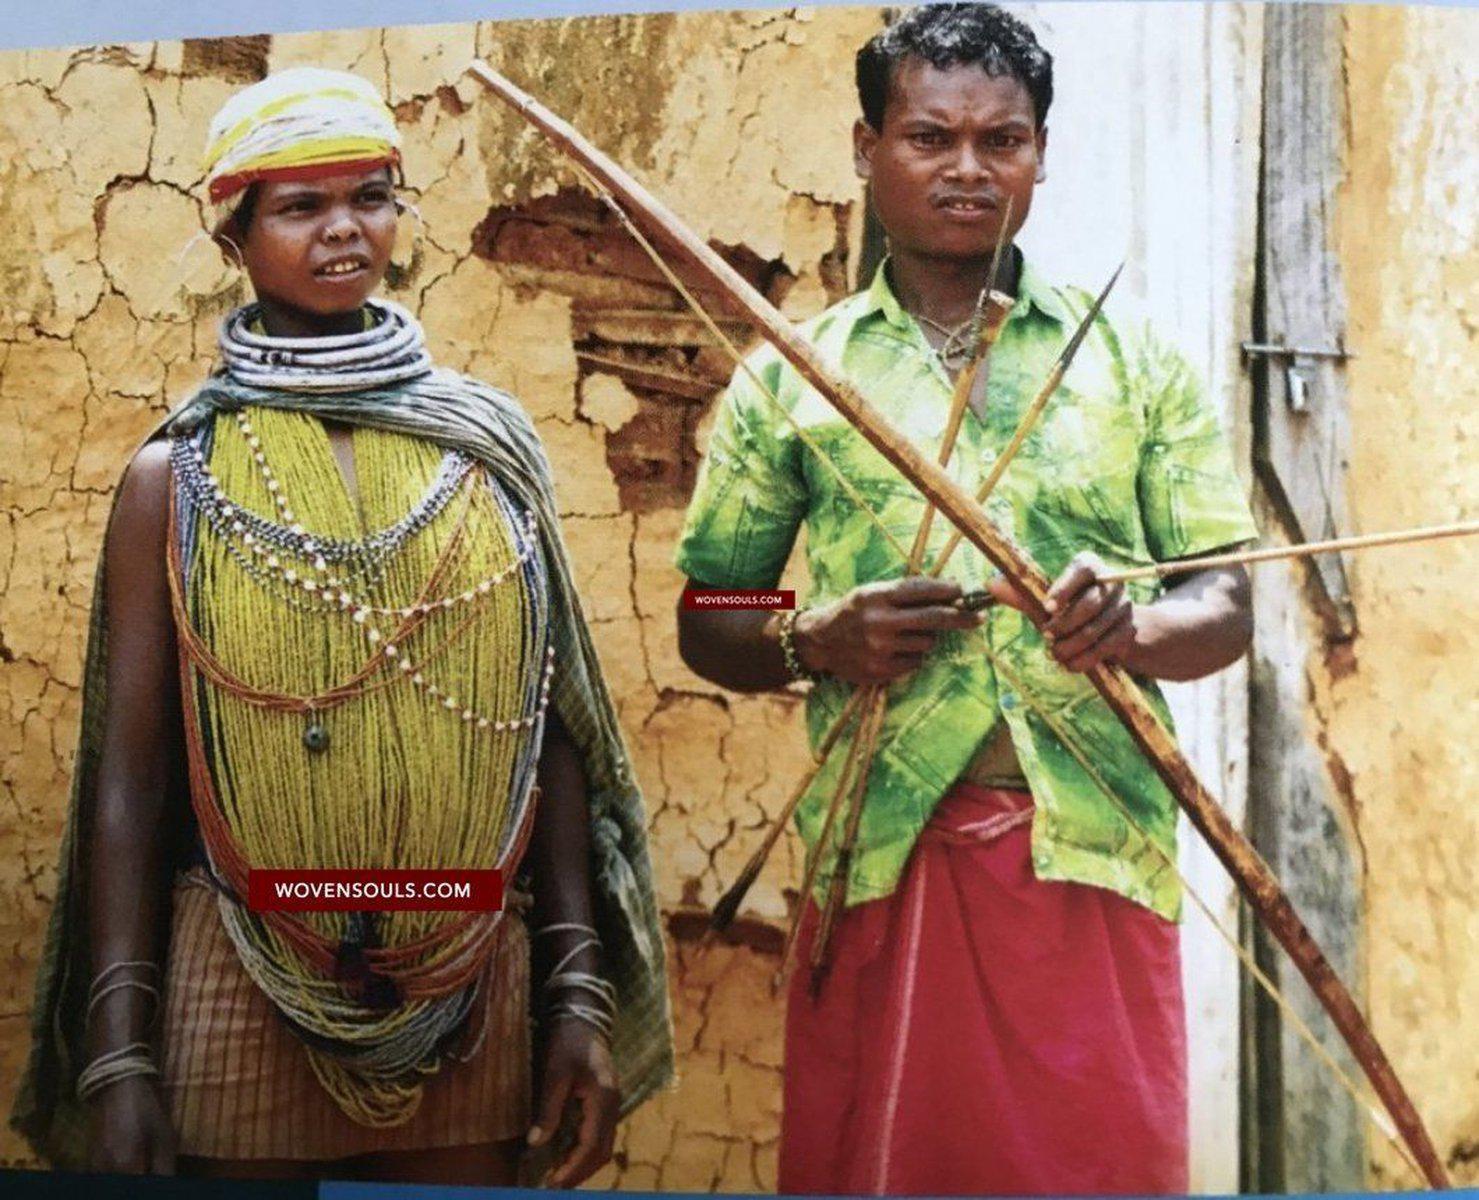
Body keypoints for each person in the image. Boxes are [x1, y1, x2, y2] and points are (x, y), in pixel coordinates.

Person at [12, 67, 671, 1186]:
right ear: (234, 235)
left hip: (468, 974)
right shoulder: (175, 477)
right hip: (239, 962)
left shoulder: (485, 449)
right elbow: (129, 776)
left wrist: (576, 995)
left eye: (368, 196)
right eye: (298, 207)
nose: (341, 230)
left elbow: (549, 731)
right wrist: (120, 1055)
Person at [674, 5, 1258, 1195]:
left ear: (1042, 153)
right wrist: (811, 639)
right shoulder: (796, 372)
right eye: (930, 136)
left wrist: (1135, 629)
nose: (967, 169)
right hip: (882, 849)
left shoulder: (1132, 363)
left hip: (1092, 852)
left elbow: (1227, 599)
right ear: (865, 146)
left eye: (1003, 140)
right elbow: (710, 615)